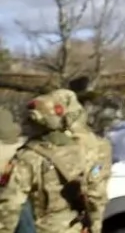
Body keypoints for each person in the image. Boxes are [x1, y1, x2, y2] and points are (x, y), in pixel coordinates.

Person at [0, 90, 109, 233]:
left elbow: (11, 203)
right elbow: (95, 195)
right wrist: (95, 226)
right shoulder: (89, 149)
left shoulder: (29, 156)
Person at [55, 89, 112, 230]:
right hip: (73, 223)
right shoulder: (96, 145)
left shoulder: (38, 145)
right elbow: (94, 188)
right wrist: (95, 223)